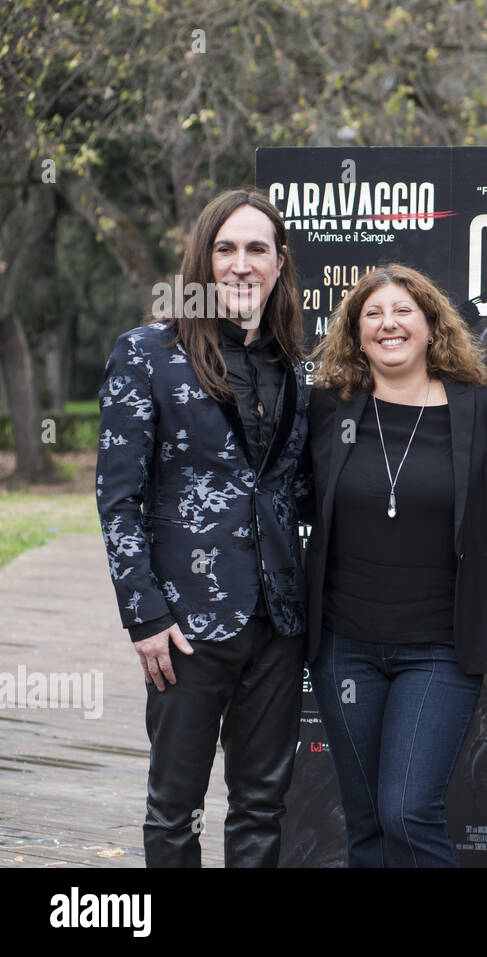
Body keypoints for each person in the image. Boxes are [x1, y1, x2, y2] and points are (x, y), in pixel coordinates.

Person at [96, 187, 311, 867]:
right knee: (174, 809)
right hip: (183, 627)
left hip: (279, 624)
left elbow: (291, 490)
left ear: (279, 264)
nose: (241, 263)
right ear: (203, 261)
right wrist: (144, 615)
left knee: (261, 806)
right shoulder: (145, 353)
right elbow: (117, 498)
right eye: (226, 248)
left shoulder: (294, 367)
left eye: (257, 249)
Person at [304, 264, 487, 867]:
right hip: (342, 645)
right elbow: (290, 496)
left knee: (407, 810)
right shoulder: (330, 407)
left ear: (432, 324)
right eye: (372, 314)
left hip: (440, 647)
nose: (388, 324)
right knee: (364, 820)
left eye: (404, 310)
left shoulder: (479, 407)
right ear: (355, 333)